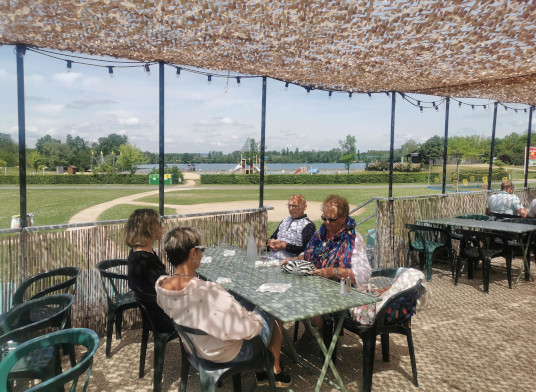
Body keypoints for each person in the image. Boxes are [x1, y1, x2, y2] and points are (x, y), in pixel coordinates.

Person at [155, 226, 292, 388]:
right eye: (202, 249)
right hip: (226, 353)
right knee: (269, 305)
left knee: (243, 300)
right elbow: (250, 330)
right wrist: (254, 316)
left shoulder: (162, 287)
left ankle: (263, 370)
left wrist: (238, 308)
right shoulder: (208, 291)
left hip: (195, 349)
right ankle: (272, 370)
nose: (202, 253)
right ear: (193, 253)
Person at [282, 194, 372, 344]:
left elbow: (363, 274)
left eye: (332, 219)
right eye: (324, 218)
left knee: (305, 300)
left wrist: (333, 272)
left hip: (345, 288)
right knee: (290, 293)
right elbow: (309, 254)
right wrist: (294, 260)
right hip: (318, 283)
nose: (327, 223)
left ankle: (324, 335)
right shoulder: (320, 234)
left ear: (343, 218)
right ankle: (315, 330)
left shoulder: (353, 239)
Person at [124, 208, 174, 333]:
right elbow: (168, 289)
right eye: (159, 224)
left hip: (153, 313)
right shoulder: (144, 260)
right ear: (149, 229)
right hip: (163, 318)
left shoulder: (138, 252)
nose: (162, 227)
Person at [267, 194, 316, 260]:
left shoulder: (308, 225)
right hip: (270, 259)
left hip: (289, 263)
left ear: (304, 207)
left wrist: (285, 246)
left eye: (294, 206)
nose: (290, 209)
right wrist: (270, 242)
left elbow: (306, 250)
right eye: (289, 205)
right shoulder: (285, 220)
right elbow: (273, 237)